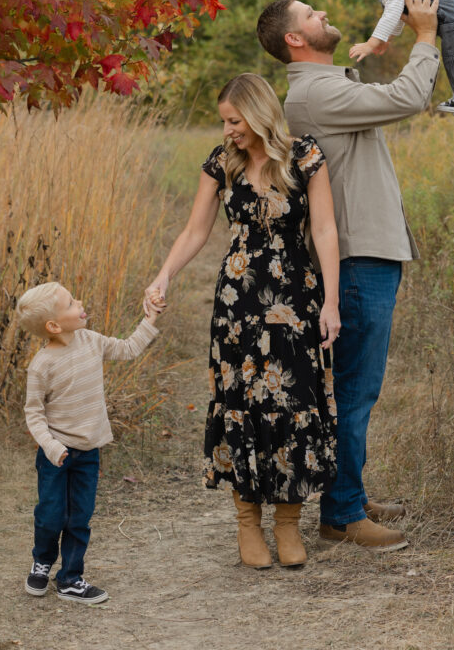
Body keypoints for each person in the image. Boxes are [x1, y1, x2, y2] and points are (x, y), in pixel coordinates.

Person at [256, 0, 440, 552]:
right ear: (294, 38)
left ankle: (349, 495)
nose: (325, 14)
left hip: (370, 252)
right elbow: (410, 96)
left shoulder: (330, 87)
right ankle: (342, 514)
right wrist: (426, 37)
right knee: (355, 390)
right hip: (360, 258)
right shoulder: (315, 95)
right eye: (313, 15)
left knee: (356, 387)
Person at [143, 73, 340, 569]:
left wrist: (332, 303)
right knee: (241, 400)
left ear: (257, 114)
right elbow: (195, 230)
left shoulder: (305, 156)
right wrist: (163, 275)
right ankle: (247, 523)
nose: (228, 130)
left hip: (296, 299)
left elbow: (324, 229)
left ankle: (288, 524)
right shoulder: (221, 163)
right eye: (224, 122)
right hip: (237, 304)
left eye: (234, 120)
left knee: (294, 400)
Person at [16, 281, 161, 604]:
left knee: (80, 517)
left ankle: (70, 578)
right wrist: (52, 448)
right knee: (51, 515)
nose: (79, 301)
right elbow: (34, 414)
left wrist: (149, 319)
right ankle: (42, 561)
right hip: (56, 456)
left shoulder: (91, 341)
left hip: (88, 452)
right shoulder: (42, 365)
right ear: (53, 325)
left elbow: (127, 348)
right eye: (70, 302)